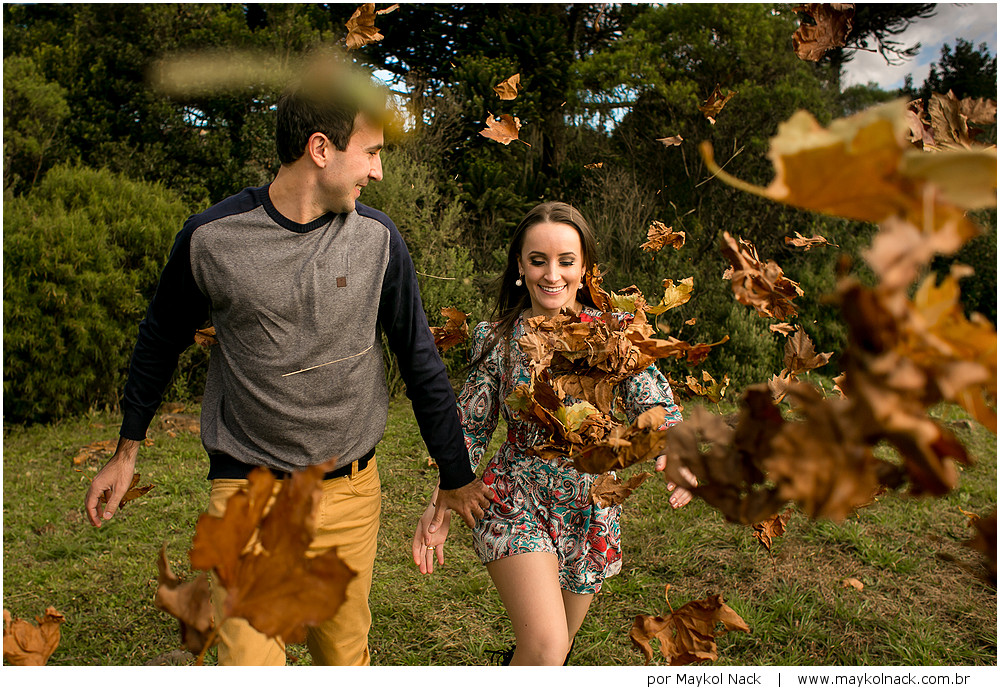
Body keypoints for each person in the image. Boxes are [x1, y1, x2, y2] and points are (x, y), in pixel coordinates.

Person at [84, 59, 493, 666]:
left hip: (351, 495)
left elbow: (419, 359)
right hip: (247, 491)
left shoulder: (379, 241)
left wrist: (456, 475)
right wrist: (127, 450)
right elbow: (158, 340)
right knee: (248, 663)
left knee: (342, 657)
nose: (379, 171)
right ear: (320, 149)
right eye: (372, 152)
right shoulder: (212, 240)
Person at [411, 201, 696, 665]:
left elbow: (656, 402)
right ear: (520, 267)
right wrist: (441, 497)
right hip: (513, 496)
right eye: (538, 260)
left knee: (555, 650)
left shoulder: (612, 332)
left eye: (566, 261)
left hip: (589, 505)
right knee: (545, 648)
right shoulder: (498, 337)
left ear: (585, 268)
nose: (552, 274)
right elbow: (472, 426)